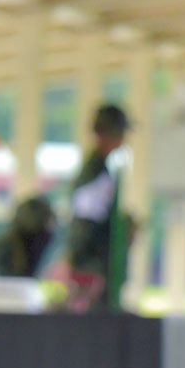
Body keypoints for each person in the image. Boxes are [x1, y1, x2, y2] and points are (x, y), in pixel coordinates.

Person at [65, 104, 133, 313]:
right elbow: (85, 226)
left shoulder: (100, 170)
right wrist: (86, 268)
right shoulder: (96, 174)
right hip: (94, 268)